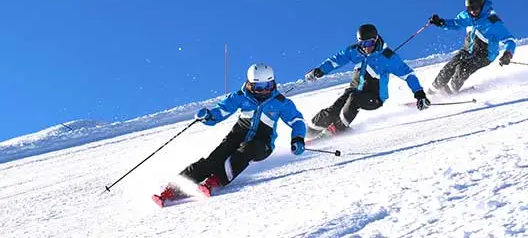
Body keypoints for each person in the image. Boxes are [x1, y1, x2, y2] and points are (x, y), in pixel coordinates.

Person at [153, 63, 307, 205]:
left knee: (247, 150)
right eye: (259, 86)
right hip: (236, 137)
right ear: (250, 84)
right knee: (213, 160)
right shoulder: (240, 97)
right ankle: (171, 190)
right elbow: (221, 111)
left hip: (262, 144)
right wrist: (209, 116)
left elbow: (297, 120)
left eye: (268, 85)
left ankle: (214, 181)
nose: (265, 90)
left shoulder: (281, 103)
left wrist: (298, 138)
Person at [304, 23, 431, 138]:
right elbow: (336, 60)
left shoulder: (388, 57)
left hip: (375, 97)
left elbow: (408, 74)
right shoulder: (354, 51)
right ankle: (310, 131)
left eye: (369, 43)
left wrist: (419, 94)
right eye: (363, 44)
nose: (366, 47)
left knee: (354, 98)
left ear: (376, 40)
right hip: (354, 89)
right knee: (334, 108)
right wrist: (319, 71)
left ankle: (338, 128)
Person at [427, 0, 517, 95]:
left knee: (462, 68)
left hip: (484, 55)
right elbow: (456, 23)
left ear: (482, 6)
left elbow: (510, 40)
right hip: (467, 50)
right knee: (450, 66)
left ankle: (452, 90)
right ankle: (432, 91)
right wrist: (441, 22)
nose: (473, 12)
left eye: (475, 9)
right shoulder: (466, 16)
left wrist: (508, 54)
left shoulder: (492, 22)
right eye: (470, 9)